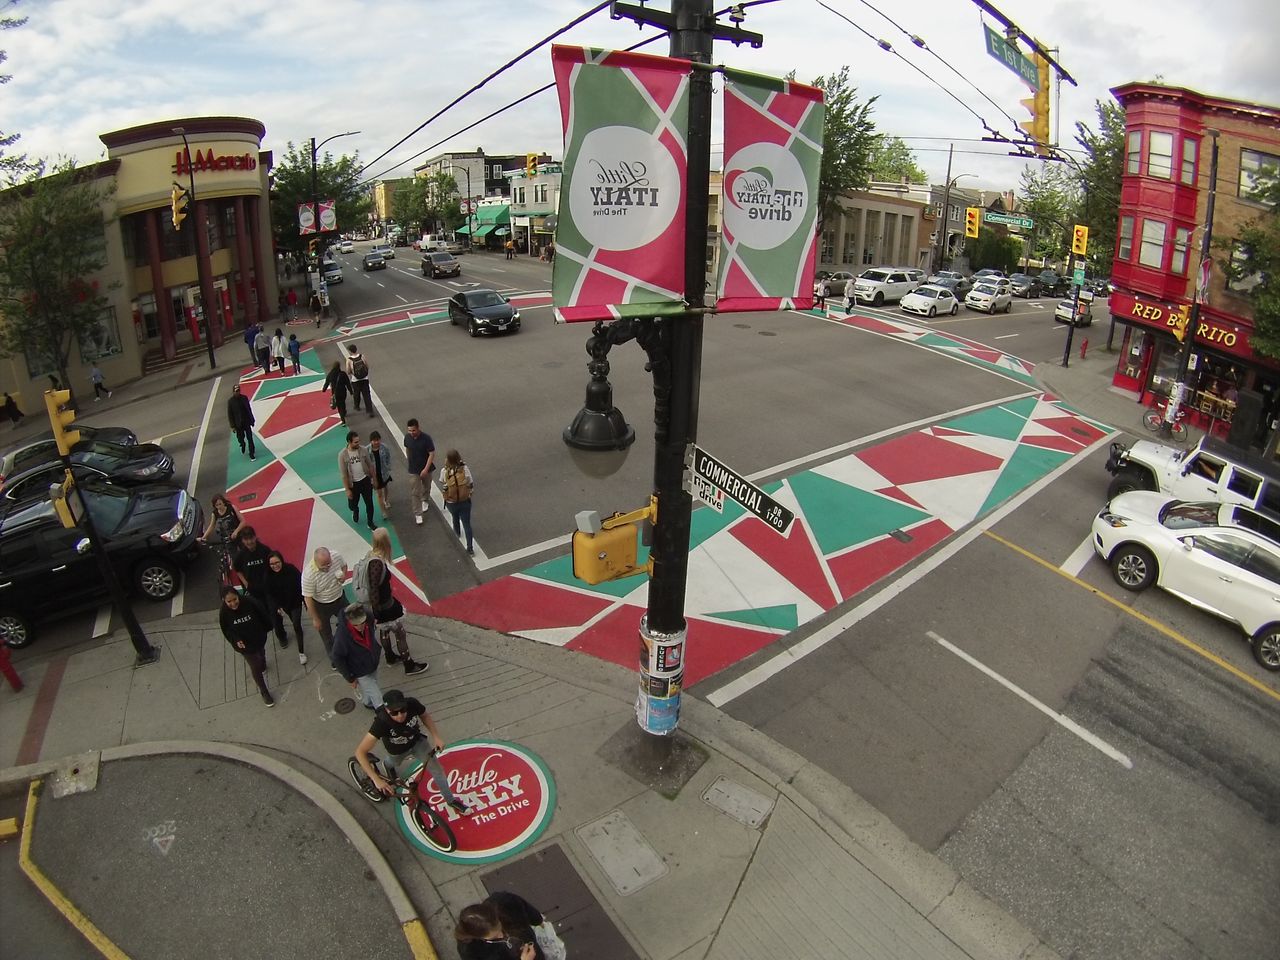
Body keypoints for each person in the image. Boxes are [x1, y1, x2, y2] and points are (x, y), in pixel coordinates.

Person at [351, 688, 468, 813]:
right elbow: (360, 752)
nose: (400, 715)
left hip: (418, 743)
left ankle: (451, 800)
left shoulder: (412, 703)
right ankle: (387, 765)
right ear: (387, 711)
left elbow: (425, 716)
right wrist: (376, 779)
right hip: (397, 751)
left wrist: (436, 737)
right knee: (393, 762)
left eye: (403, 710)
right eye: (394, 713)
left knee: (437, 770)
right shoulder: (381, 723)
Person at [365, 527, 428, 675]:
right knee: (399, 632)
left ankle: (390, 657)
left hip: (380, 606)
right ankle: (409, 664)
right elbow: (374, 587)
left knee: (385, 630)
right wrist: (376, 610)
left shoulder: (371, 555)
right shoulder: (378, 563)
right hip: (385, 605)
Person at [218, 586, 277, 707]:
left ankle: (263, 663)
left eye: (234, 599)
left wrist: (267, 629)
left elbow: (263, 615)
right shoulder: (224, 613)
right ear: (224, 600)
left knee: (261, 654)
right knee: (255, 666)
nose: (233, 603)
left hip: (258, 637)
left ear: (238, 596)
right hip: (244, 645)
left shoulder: (250, 602)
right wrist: (236, 640)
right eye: (229, 601)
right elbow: (227, 630)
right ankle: (264, 692)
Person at [232, 527, 288, 649]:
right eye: (246, 540)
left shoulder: (264, 550)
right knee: (259, 614)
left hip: (268, 589)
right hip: (253, 591)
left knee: (275, 614)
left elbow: (272, 564)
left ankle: (281, 635)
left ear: (255, 537)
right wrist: (245, 583)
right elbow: (237, 570)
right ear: (243, 541)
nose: (250, 542)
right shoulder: (240, 556)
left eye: (251, 538)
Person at [455, 896, 546, 960]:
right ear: (477, 937)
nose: (502, 935)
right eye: (494, 938)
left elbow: (524, 907)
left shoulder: (504, 902)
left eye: (499, 927)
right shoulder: (469, 950)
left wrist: (538, 920)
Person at [330, 603, 384, 709]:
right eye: (356, 625)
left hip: (372, 662)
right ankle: (382, 713)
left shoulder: (368, 618)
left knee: (371, 685)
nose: (360, 627)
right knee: (377, 696)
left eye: (362, 623)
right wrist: (350, 678)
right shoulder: (342, 637)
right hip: (359, 669)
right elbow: (337, 657)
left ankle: (367, 702)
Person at [302, 546, 349, 658]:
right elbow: (308, 598)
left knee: (350, 621)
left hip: (339, 598)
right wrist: (315, 618)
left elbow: (344, 565)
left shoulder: (336, 556)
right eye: (324, 565)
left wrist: (343, 575)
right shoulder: (309, 575)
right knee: (326, 634)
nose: (328, 567)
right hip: (322, 605)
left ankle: (349, 645)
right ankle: (334, 657)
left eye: (329, 563)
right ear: (316, 562)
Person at [265, 550, 307, 666]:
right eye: (272, 564)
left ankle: (301, 652)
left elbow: (302, 583)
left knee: (297, 625)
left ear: (281, 560)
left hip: (296, 603)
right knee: (293, 620)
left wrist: (305, 600)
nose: (275, 566)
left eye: (277, 562)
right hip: (284, 605)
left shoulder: (291, 569)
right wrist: (277, 606)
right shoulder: (268, 576)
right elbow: (270, 594)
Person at [340, 429, 376, 530]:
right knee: (352, 505)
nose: (358, 443)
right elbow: (343, 474)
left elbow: (370, 465)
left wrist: (374, 479)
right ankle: (355, 510)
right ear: (349, 442)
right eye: (355, 442)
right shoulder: (342, 455)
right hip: (353, 484)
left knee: (369, 503)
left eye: (358, 441)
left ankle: (370, 522)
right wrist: (347, 489)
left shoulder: (363, 450)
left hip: (365, 480)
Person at [441, 449, 475, 556]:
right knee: (467, 524)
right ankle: (470, 548)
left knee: (455, 517)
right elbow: (470, 481)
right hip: (464, 500)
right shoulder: (464, 469)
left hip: (451, 501)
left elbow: (442, 481)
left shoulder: (445, 471)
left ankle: (457, 533)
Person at [403, 418, 436, 527]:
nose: (412, 433)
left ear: (418, 428)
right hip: (413, 469)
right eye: (409, 431)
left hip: (426, 468)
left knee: (427, 486)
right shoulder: (407, 438)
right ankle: (418, 513)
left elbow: (431, 453)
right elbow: (407, 448)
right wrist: (409, 459)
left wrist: (426, 469)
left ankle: (425, 499)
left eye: (413, 430)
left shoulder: (426, 439)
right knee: (415, 491)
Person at [227, 382, 257, 461]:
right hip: (238, 424)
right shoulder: (230, 401)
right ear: (233, 392)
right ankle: (242, 444)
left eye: (238, 390)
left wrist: (252, 420)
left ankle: (252, 453)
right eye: (236, 391)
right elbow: (230, 415)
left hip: (246, 421)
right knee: (240, 438)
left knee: (250, 438)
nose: (237, 392)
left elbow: (248, 409)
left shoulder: (244, 398)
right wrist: (232, 426)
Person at [367, 430, 393, 516]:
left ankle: (386, 500)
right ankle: (383, 511)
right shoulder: (367, 450)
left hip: (384, 472)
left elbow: (388, 457)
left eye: (378, 440)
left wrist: (388, 467)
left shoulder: (384, 447)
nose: (376, 442)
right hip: (375, 474)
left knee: (385, 487)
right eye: (374, 440)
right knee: (379, 493)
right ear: (371, 441)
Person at [345, 342, 372, 415]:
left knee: (356, 394)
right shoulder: (362, 356)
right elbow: (367, 366)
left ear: (350, 351)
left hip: (355, 380)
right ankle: (369, 410)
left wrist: (353, 373)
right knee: (367, 395)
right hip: (365, 378)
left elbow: (348, 371)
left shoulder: (349, 360)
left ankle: (357, 406)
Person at [322, 361, 350, 425]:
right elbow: (347, 383)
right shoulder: (342, 374)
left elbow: (327, 382)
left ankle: (343, 420)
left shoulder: (330, 374)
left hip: (335, 393)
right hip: (343, 392)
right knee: (342, 402)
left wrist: (324, 389)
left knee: (339, 406)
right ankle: (344, 411)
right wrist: (351, 391)